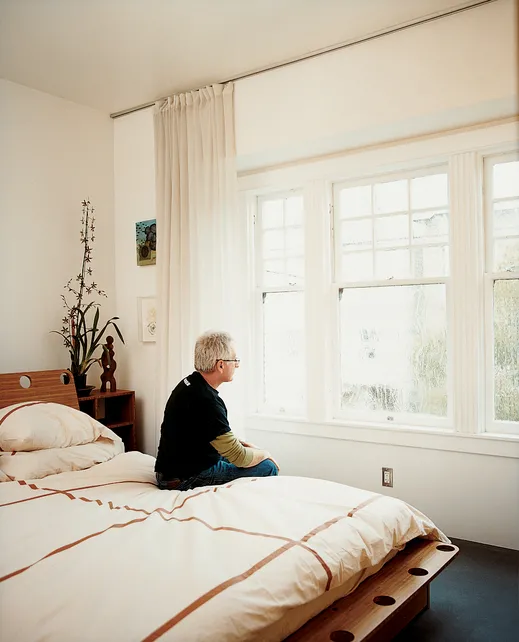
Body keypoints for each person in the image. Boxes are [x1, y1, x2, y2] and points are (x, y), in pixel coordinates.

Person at [155, 330, 279, 491]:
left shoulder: (190, 383)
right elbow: (239, 457)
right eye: (234, 359)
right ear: (220, 365)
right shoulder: (208, 401)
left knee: (251, 455)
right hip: (183, 478)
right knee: (268, 466)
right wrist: (266, 453)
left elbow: (213, 434)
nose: (237, 364)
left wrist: (247, 447)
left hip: (173, 470)